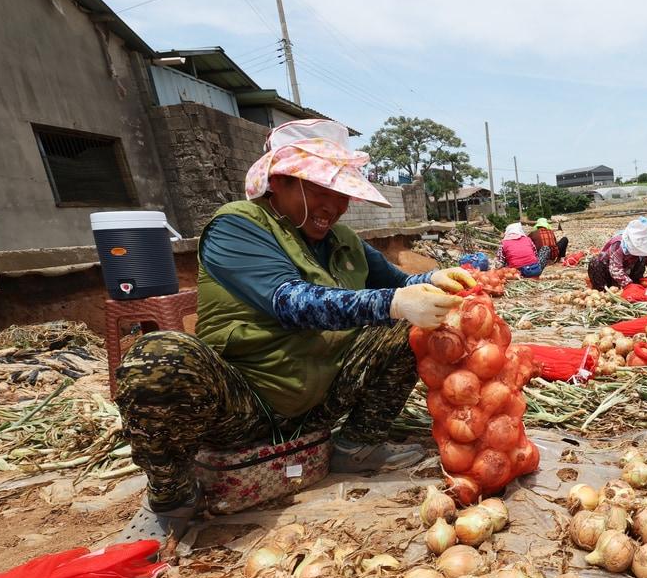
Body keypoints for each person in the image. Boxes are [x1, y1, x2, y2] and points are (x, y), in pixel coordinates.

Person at [115, 119, 476, 542]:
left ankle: (357, 445)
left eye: (342, 194)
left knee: (409, 332)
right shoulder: (237, 227)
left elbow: (398, 283)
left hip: (321, 398)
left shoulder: (342, 238)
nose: (335, 205)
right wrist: (393, 303)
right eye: (322, 190)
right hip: (242, 404)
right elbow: (291, 302)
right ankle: (171, 499)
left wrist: (433, 280)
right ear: (281, 182)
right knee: (158, 359)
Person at [586, 216, 647, 290]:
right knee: (595, 262)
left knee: (643, 258)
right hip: (608, 269)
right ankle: (603, 289)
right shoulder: (618, 244)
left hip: (628, 269)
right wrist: (628, 284)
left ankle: (635, 284)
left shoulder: (646, 245)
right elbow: (615, 269)